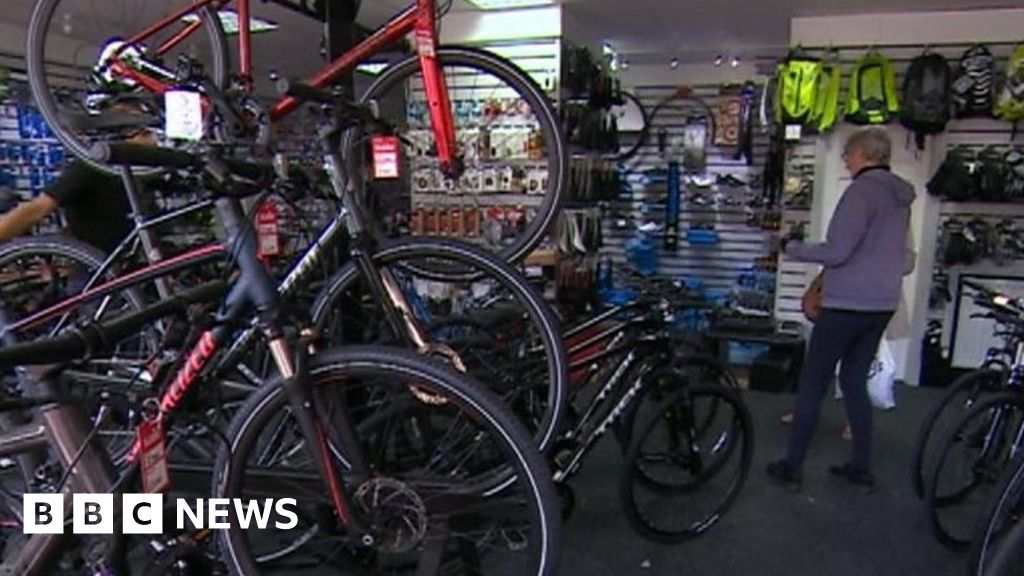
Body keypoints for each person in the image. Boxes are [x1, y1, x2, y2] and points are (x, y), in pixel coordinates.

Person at [766, 127, 915, 492]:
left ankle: (792, 466)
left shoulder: (861, 192)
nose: (846, 160)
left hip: (847, 303)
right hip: (881, 304)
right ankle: (860, 466)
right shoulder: (899, 197)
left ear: (863, 153)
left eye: (848, 154)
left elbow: (837, 252)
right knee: (853, 380)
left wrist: (793, 247)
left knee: (814, 381)